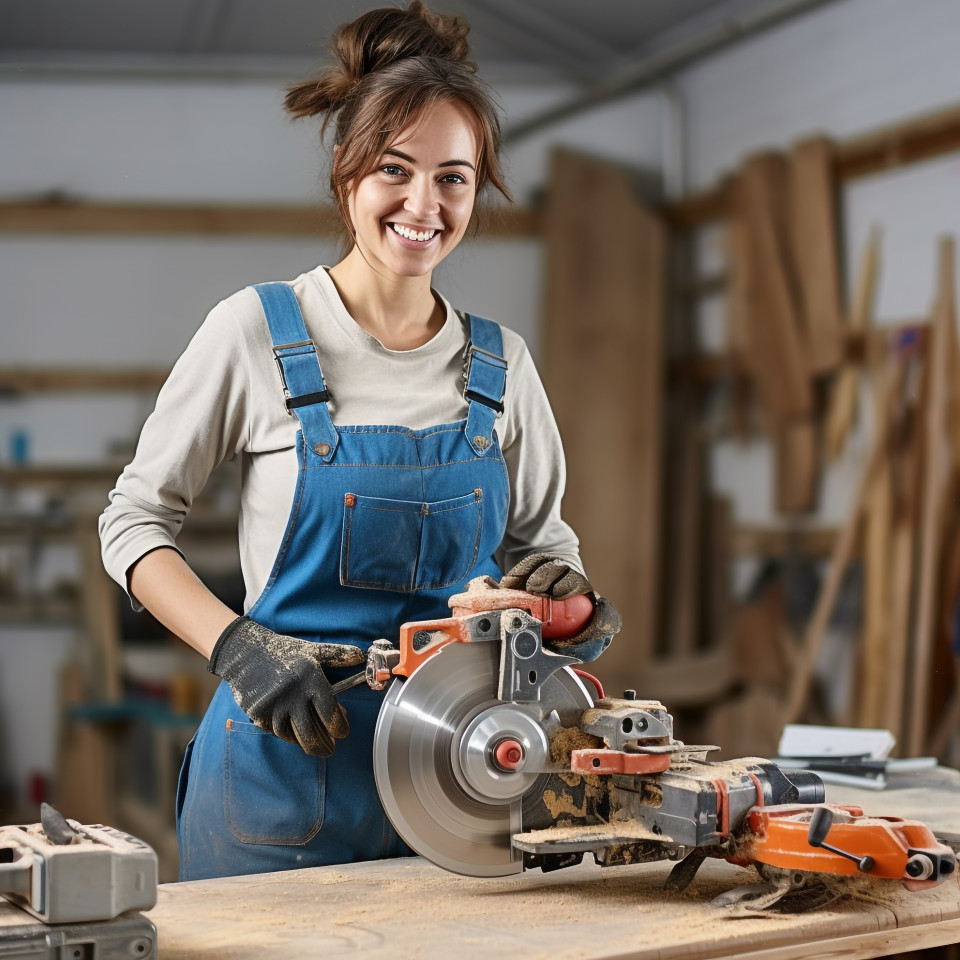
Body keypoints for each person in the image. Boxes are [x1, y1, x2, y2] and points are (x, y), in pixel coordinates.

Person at [99, 0, 621, 882]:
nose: (425, 204)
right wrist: (237, 649)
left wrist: (573, 607)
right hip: (277, 788)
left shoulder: (501, 365)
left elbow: (544, 549)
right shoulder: (254, 332)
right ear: (348, 174)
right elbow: (132, 521)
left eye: (454, 177)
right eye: (396, 169)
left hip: (464, 787)